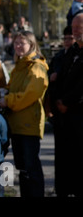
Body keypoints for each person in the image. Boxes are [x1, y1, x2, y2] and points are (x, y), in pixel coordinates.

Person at [0, 30, 49, 197]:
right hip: (17, 124)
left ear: (31, 45)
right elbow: (15, 88)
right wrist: (4, 91)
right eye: (16, 43)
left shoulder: (36, 66)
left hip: (28, 125)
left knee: (30, 169)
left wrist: (8, 100)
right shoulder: (20, 65)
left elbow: (31, 94)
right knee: (23, 169)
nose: (18, 46)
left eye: (22, 43)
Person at [51, 12, 83, 196]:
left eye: (79, 27)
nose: (76, 31)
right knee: (65, 163)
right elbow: (61, 78)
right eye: (74, 27)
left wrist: (69, 104)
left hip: (78, 115)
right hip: (64, 119)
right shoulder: (71, 52)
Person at [45, 25, 74, 196]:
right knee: (61, 155)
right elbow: (48, 85)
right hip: (58, 113)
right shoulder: (58, 57)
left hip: (73, 111)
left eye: (71, 38)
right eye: (66, 39)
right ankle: (60, 189)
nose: (68, 42)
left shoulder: (78, 57)